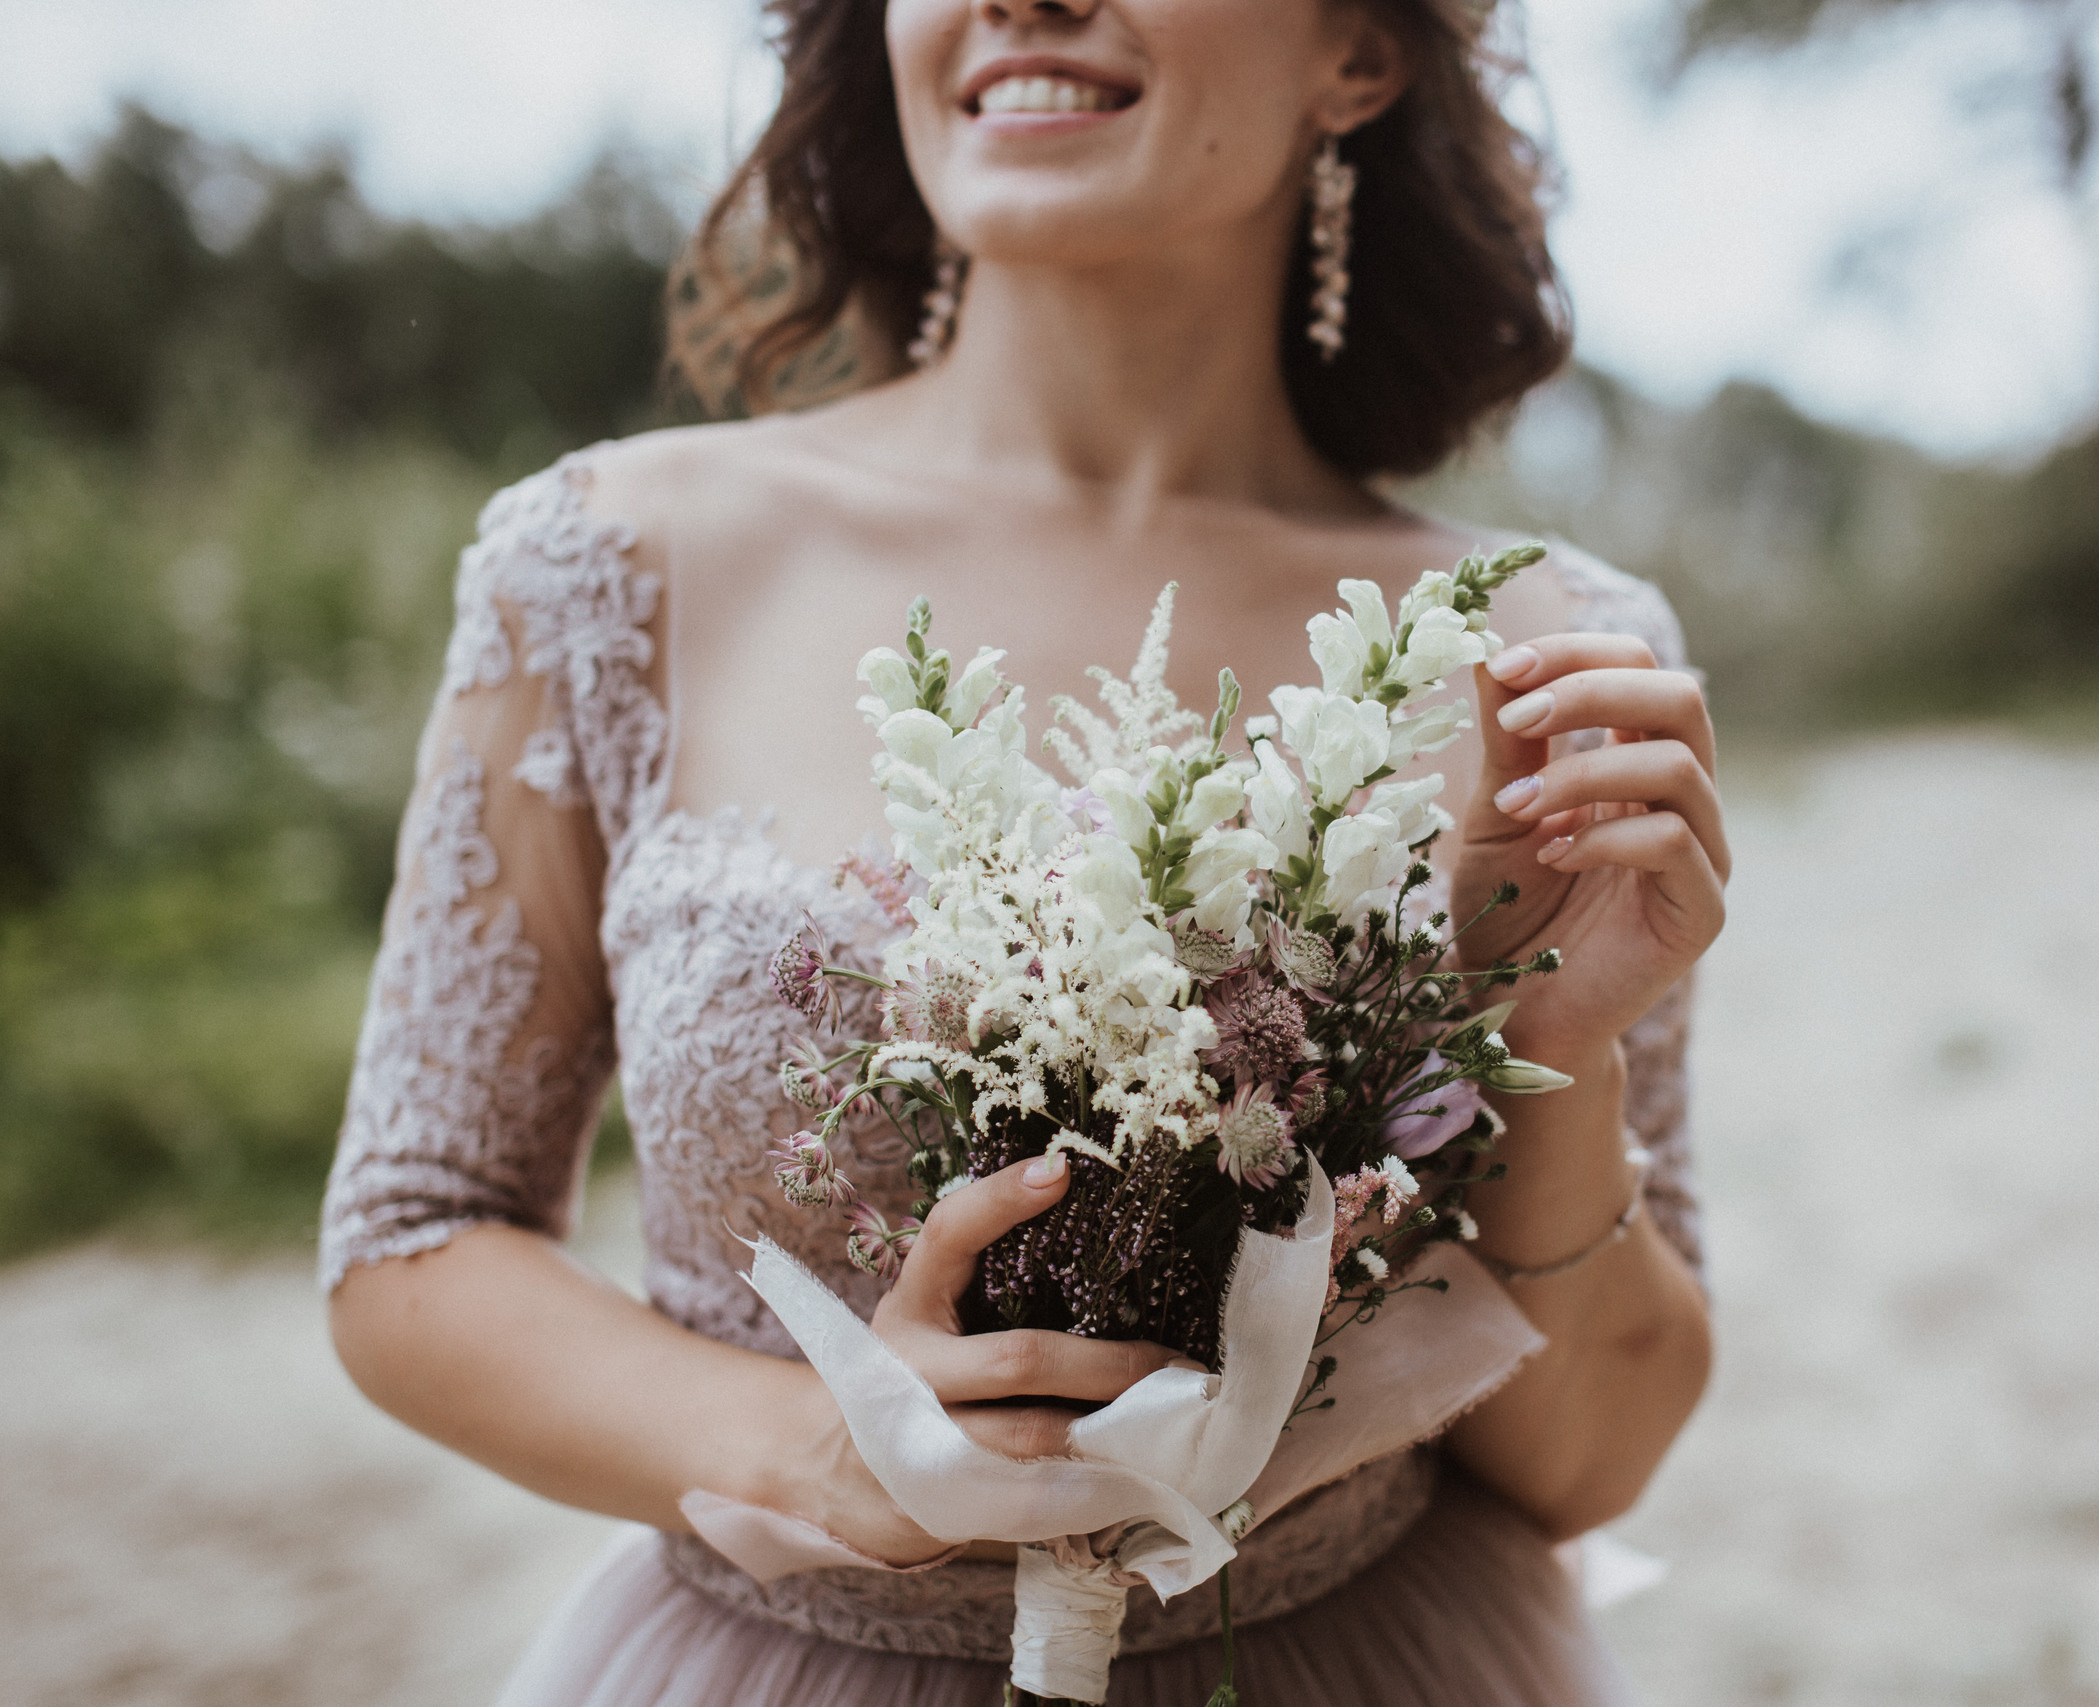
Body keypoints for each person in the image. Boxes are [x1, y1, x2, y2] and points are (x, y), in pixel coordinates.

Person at [320, 0, 1728, 1700]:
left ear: (1358, 51)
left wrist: (1547, 1036)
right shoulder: (608, 566)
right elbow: (414, 1239)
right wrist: (821, 1450)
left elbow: (1588, 1465)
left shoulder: (1538, 657)